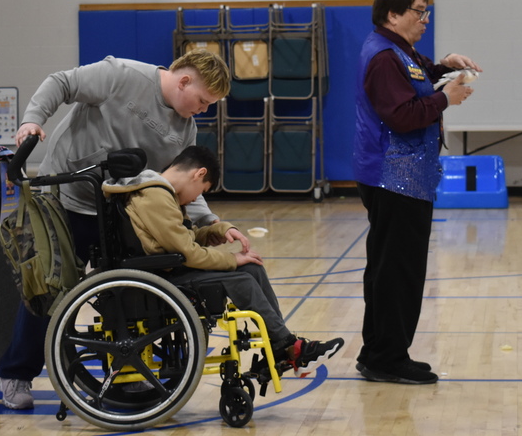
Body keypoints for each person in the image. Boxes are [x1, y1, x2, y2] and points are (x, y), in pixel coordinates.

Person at [0, 50, 231, 410]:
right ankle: (16, 373)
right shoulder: (121, 75)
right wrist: (32, 120)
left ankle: (129, 372)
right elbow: (62, 82)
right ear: (183, 80)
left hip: (119, 210)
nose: (203, 109)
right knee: (49, 288)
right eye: (202, 100)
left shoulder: (186, 127)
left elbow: (180, 184)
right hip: (67, 198)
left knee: (132, 291)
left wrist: (209, 222)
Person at [103, 144, 344, 377]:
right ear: (199, 174)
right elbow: (188, 253)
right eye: (202, 191)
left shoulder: (160, 191)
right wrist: (232, 259)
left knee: (252, 268)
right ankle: (291, 347)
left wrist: (218, 230)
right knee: (243, 279)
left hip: (166, 265)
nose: (197, 198)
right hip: (162, 273)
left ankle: (283, 347)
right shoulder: (156, 195)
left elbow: (180, 238)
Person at [353, 0, 481, 385]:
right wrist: (447, 98)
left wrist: (445, 65)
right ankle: (388, 357)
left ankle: (377, 350)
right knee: (398, 272)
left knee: (387, 268)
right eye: (418, 12)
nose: (425, 19)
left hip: (402, 178)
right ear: (392, 14)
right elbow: (403, 115)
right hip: (395, 178)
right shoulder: (383, 57)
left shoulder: (398, 51)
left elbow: (421, 73)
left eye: (427, 12)